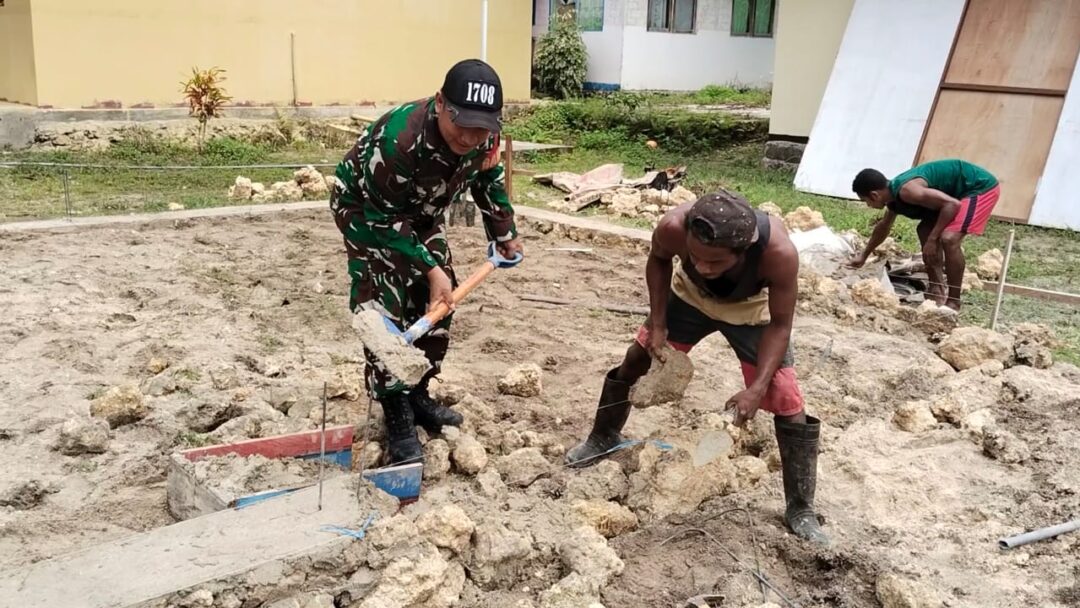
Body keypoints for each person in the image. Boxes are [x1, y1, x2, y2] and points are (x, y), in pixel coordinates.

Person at [565, 190, 829, 545]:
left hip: (749, 309)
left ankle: (800, 508)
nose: (704, 266)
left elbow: (780, 326)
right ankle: (602, 437)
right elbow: (658, 261)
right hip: (688, 296)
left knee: (785, 398)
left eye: (716, 262)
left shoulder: (777, 254)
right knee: (638, 357)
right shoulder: (674, 226)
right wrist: (658, 325)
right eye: (696, 256)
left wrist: (755, 389)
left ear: (745, 249)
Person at [330, 59, 524, 465]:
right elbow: (383, 221)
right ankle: (395, 410)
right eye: (462, 122)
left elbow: (487, 180)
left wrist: (503, 233)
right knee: (384, 306)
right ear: (440, 103)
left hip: (421, 213)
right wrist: (429, 268)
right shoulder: (398, 140)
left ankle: (417, 392)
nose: (471, 136)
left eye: (482, 127)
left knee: (439, 300)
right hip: (366, 212)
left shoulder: (484, 135)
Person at [850, 159, 1000, 310]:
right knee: (924, 230)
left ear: (874, 195)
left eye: (865, 201)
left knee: (949, 239)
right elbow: (884, 226)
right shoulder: (893, 199)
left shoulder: (907, 191)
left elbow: (952, 205)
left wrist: (933, 240)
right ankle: (937, 289)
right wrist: (864, 255)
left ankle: (954, 301)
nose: (868, 206)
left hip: (978, 187)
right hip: (952, 195)